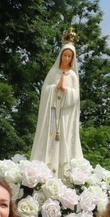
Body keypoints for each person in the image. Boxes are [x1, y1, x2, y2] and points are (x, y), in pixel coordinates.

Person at [29, 39, 82, 177]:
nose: (66, 58)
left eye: (69, 56)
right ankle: (47, 167)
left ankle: (63, 171)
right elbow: (45, 90)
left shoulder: (73, 75)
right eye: (65, 55)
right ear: (61, 55)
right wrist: (55, 88)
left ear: (72, 58)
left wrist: (65, 91)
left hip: (65, 115)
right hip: (52, 112)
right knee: (49, 137)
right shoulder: (53, 72)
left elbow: (76, 95)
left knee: (64, 138)